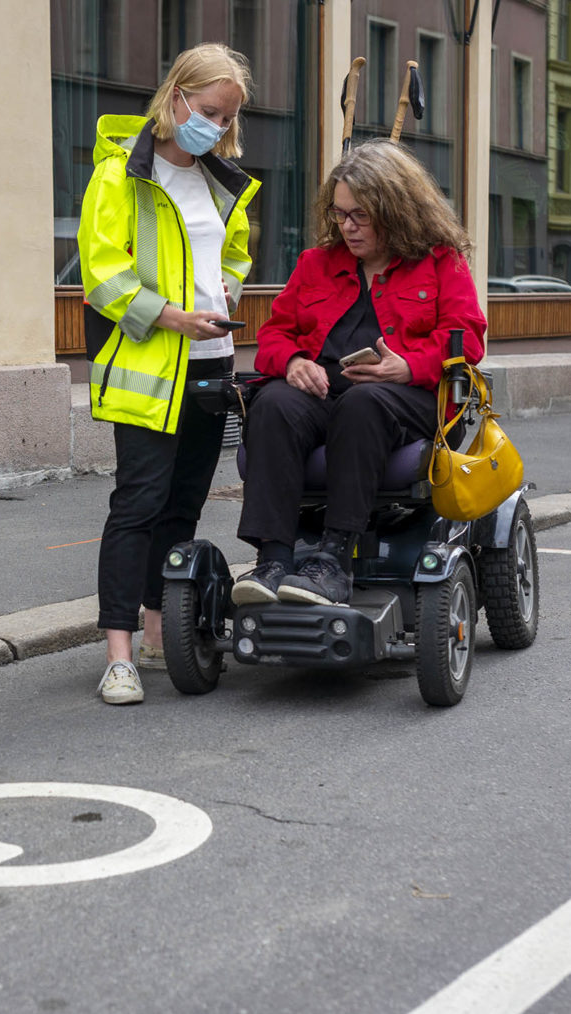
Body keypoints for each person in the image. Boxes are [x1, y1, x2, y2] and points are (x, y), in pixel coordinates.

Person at [78, 43, 260, 705]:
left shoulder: (220, 179)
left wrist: (226, 297)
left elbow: (233, 253)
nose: (214, 125)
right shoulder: (118, 176)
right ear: (174, 96)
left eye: (227, 117)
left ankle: (159, 633)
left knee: (181, 507)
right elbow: (101, 277)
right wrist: (171, 317)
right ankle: (118, 654)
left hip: (212, 365)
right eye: (208, 110)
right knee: (137, 505)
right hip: (149, 367)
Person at [231, 139, 486, 607]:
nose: (346, 226)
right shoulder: (316, 265)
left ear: (396, 210)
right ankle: (273, 560)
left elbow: (467, 338)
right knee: (272, 403)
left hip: (401, 399)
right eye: (340, 213)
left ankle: (332, 559)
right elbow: (273, 337)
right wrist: (293, 362)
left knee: (363, 402)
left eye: (360, 215)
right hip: (323, 396)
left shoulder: (439, 261)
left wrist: (408, 365)